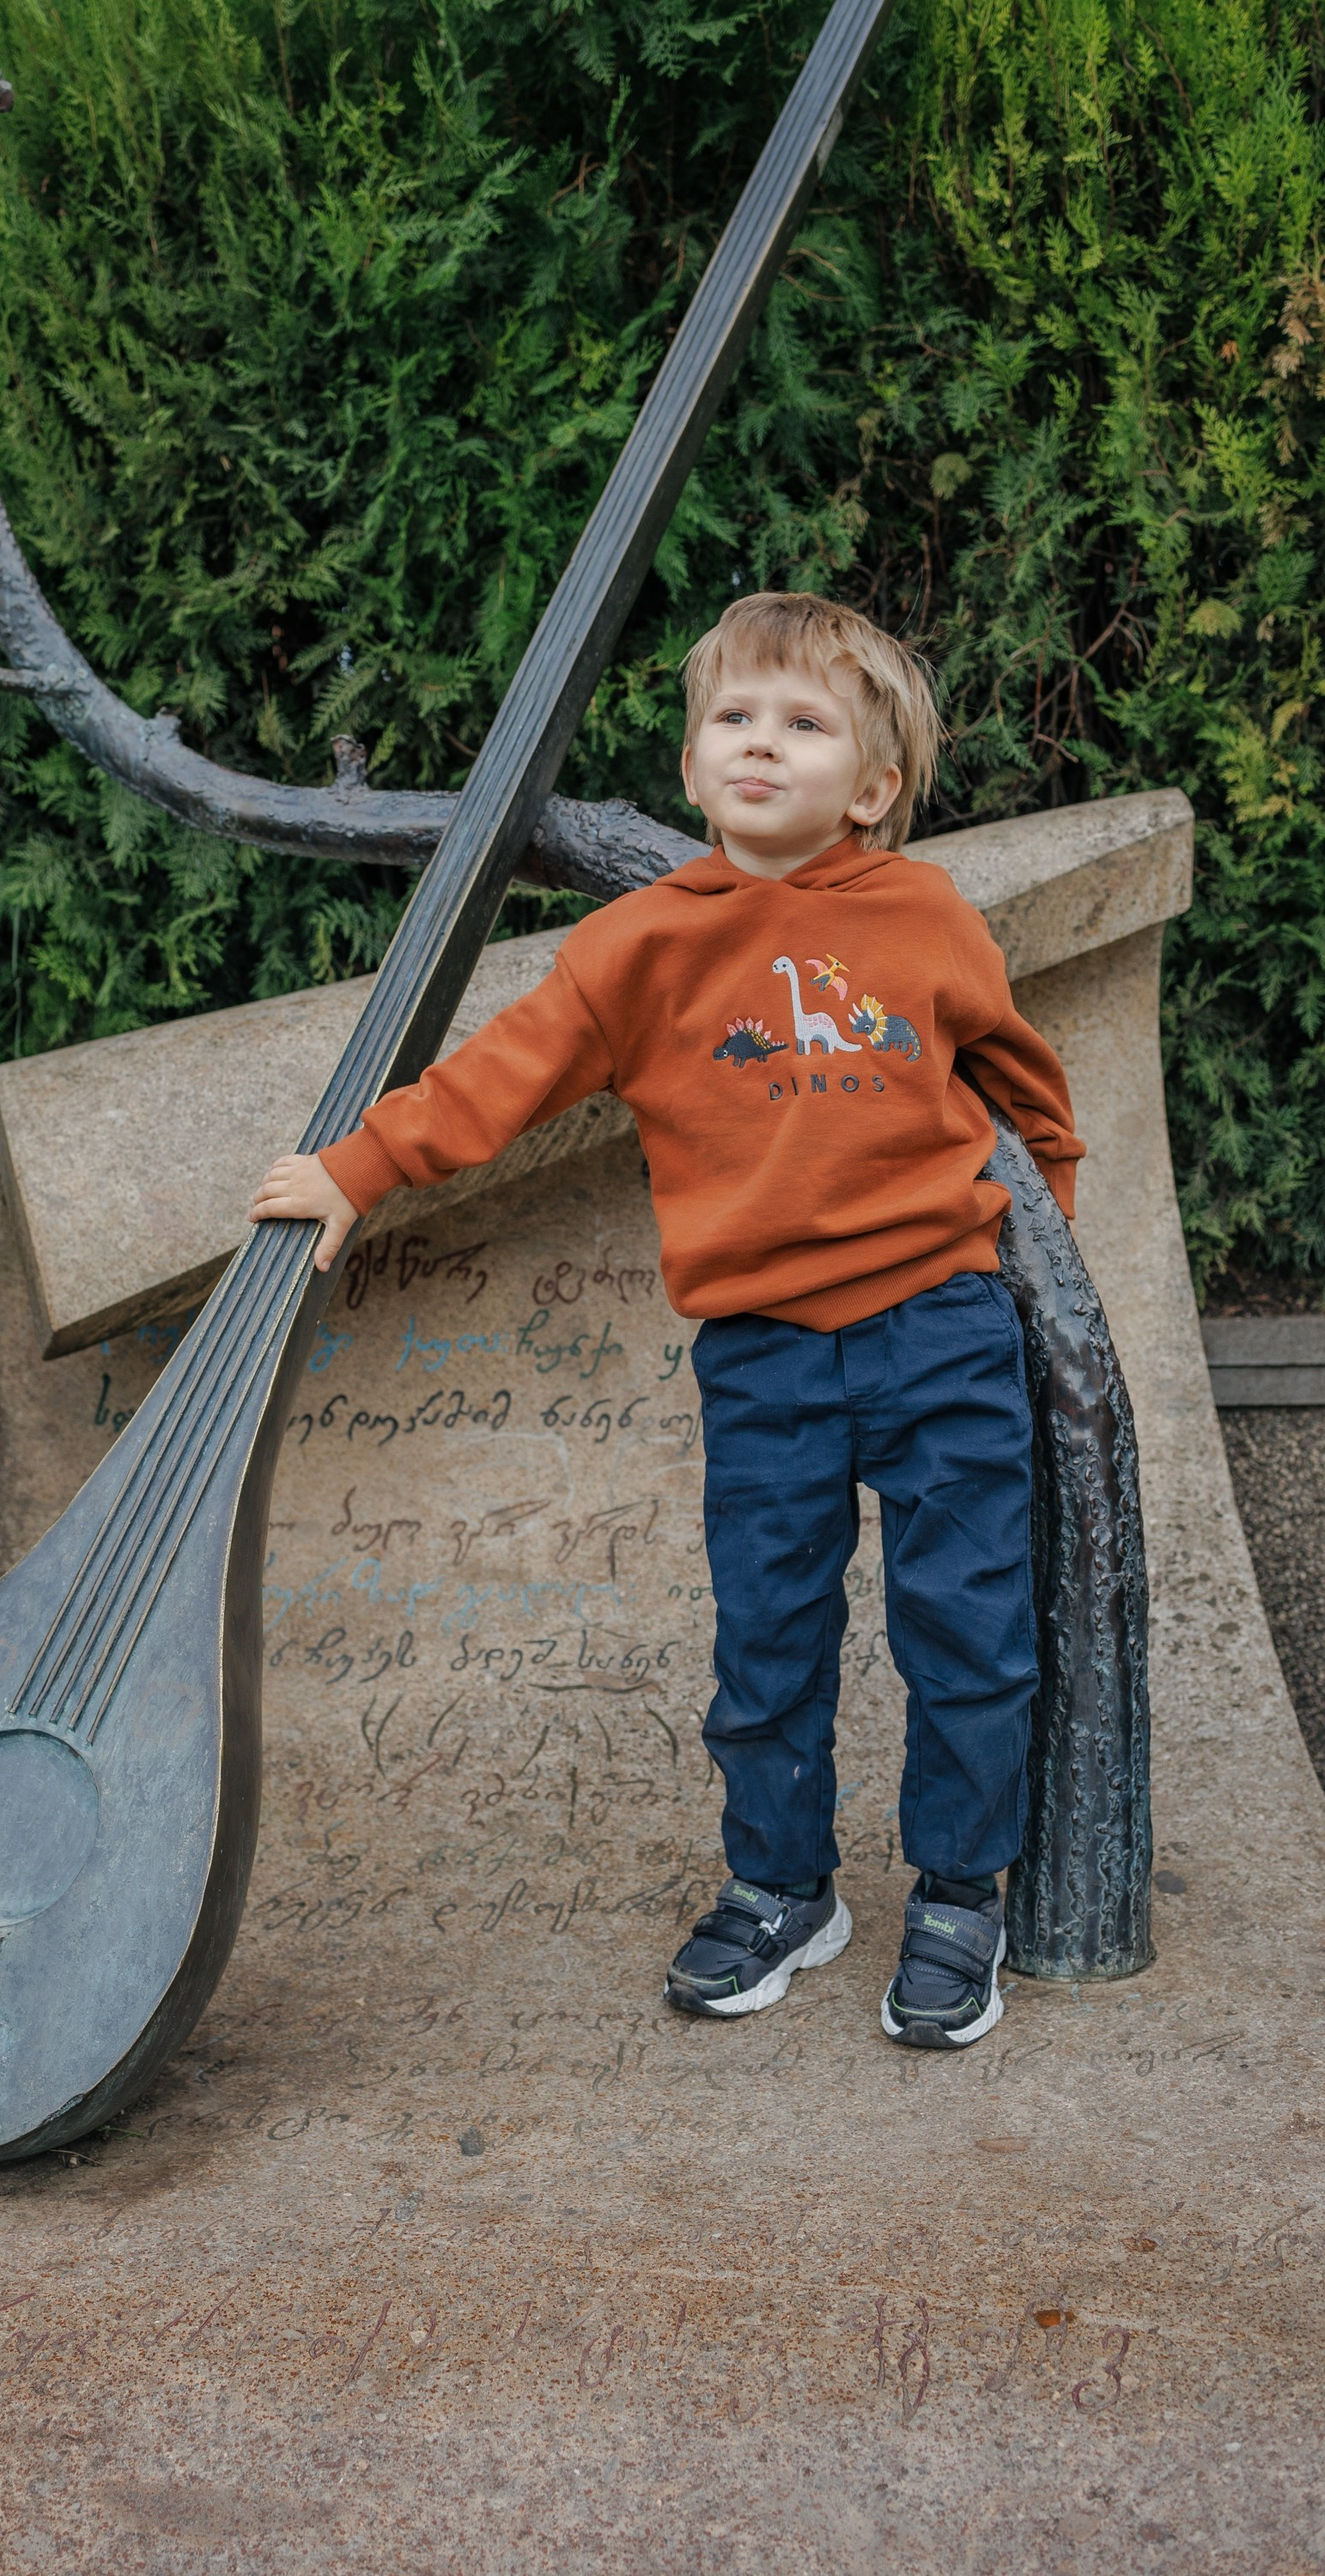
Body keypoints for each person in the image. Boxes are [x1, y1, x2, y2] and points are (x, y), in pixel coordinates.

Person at [252, 591, 1083, 2050]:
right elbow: (498, 1077)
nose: (762, 742)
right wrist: (356, 1169)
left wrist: (1042, 1272)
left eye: (805, 723)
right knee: (768, 1635)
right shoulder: (636, 946)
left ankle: (962, 1890)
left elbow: (1029, 1097)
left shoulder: (928, 920)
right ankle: (782, 1887)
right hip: (763, 1355)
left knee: (969, 1630)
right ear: (693, 767)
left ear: (872, 788)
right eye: (733, 719)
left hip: (942, 1330)